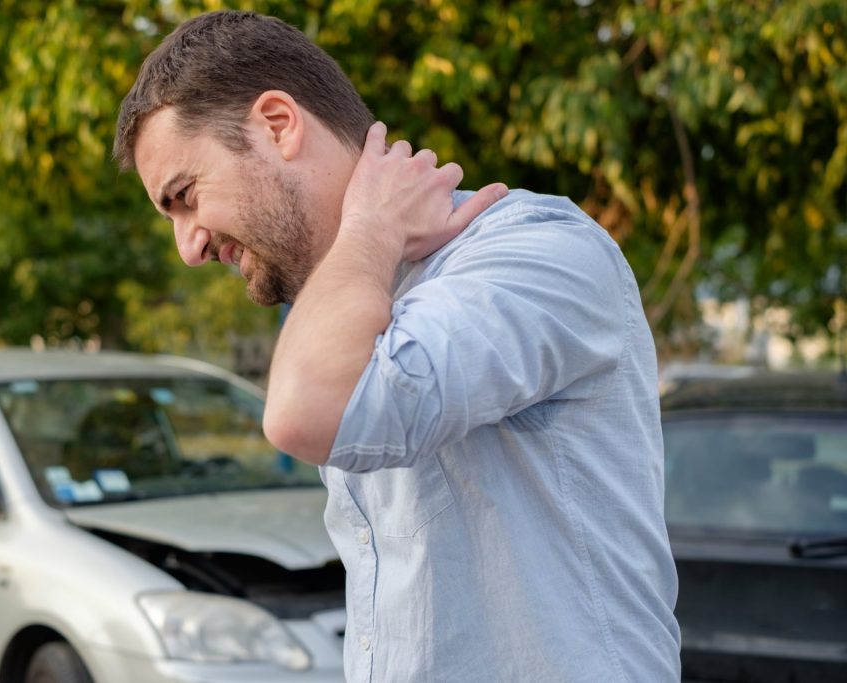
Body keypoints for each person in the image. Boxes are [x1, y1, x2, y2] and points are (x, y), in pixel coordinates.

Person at [114, 10, 680, 682]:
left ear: (278, 124)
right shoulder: (346, 305)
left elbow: (303, 412)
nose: (189, 246)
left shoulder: (534, 249)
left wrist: (372, 227)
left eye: (185, 195)